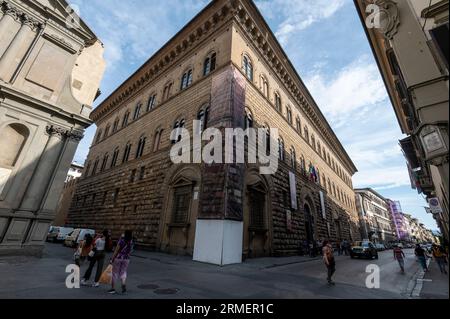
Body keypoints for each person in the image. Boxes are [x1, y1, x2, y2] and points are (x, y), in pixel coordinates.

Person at [109, 230, 134, 294]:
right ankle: (123, 284)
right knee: (123, 272)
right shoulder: (131, 241)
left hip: (119, 258)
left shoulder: (121, 240)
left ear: (125, 234)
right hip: (127, 259)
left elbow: (116, 250)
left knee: (114, 273)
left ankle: (113, 288)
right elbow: (131, 251)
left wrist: (112, 258)